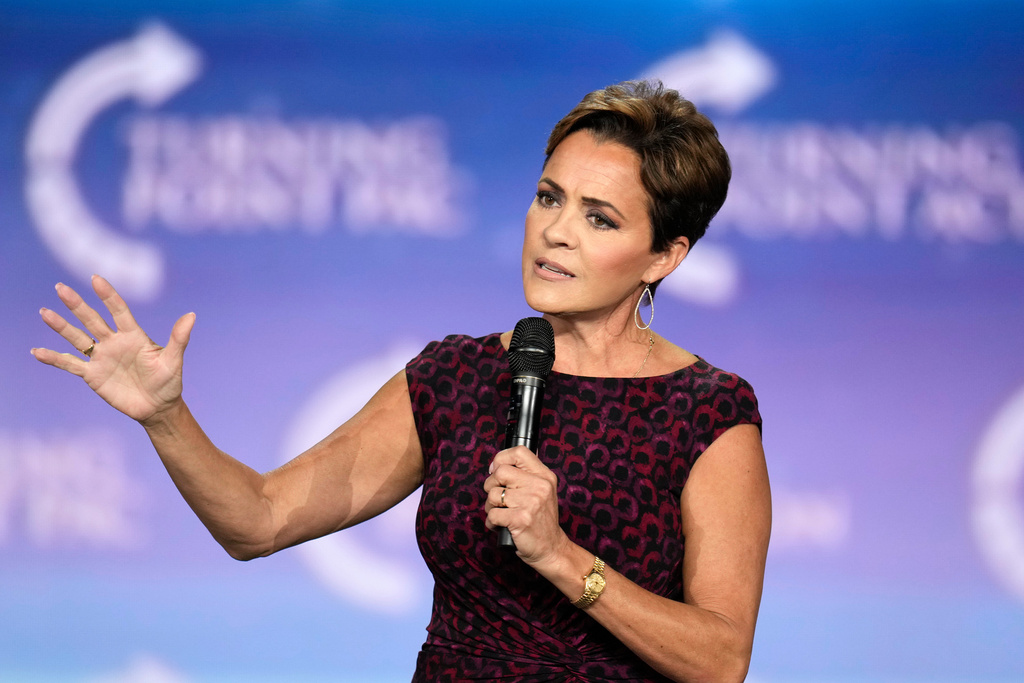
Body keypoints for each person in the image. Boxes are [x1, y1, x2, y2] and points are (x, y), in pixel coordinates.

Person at [32, 80, 770, 682]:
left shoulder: (705, 411)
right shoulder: (456, 376)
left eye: (599, 218)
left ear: (662, 256)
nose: (557, 231)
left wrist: (562, 556)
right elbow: (256, 519)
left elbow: (720, 659)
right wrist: (166, 416)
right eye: (549, 196)